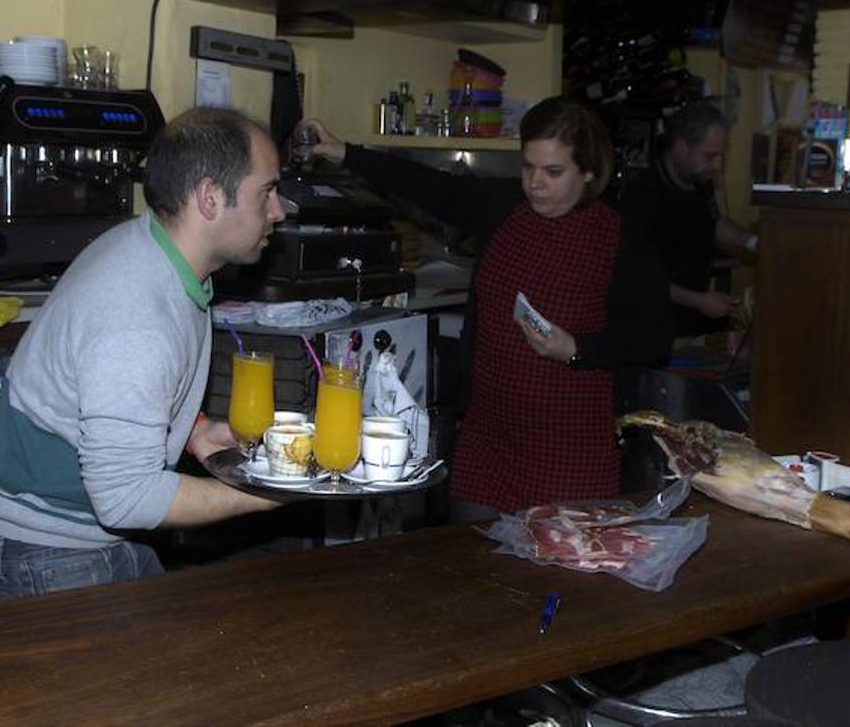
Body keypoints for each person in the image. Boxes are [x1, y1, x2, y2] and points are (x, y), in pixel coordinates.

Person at [0, 107, 284, 601]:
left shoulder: (150, 248)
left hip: (70, 532)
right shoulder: (138, 315)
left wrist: (194, 432)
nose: (279, 210)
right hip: (45, 550)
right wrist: (259, 494)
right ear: (211, 197)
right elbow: (125, 500)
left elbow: (110, 395)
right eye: (267, 192)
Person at [302, 98, 672, 519]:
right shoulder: (504, 207)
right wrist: (344, 153)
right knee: (473, 565)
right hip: (489, 434)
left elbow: (653, 336)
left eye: (553, 172)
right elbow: (431, 186)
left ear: (588, 173)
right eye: (529, 167)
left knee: (560, 572)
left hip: (570, 445)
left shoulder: (619, 238)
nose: (535, 183)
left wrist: (577, 348)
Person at [620, 101, 756, 337]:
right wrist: (699, 301)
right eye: (710, 156)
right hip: (650, 326)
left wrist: (754, 242)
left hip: (691, 323)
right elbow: (637, 276)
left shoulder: (700, 182)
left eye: (721, 157)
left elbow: (713, 224)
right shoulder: (643, 193)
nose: (717, 166)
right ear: (681, 148)